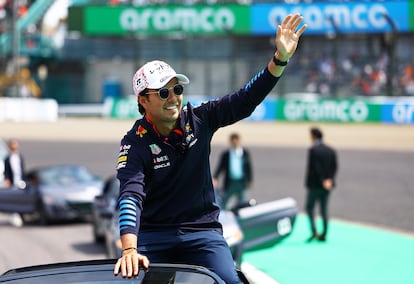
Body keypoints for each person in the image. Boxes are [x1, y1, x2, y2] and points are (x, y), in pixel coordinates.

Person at [113, 13, 307, 283]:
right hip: (154, 235)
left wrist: (280, 59)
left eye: (177, 89)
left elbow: (246, 99)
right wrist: (130, 249)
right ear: (143, 100)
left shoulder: (201, 118)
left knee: (230, 281)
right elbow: (130, 195)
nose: (174, 98)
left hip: (202, 232)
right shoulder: (134, 142)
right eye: (163, 92)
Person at [304, 127, 338, 242]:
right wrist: (329, 180)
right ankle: (324, 233)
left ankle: (314, 231)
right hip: (327, 185)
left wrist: (323, 179)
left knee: (310, 208)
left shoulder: (313, 150)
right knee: (324, 209)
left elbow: (314, 168)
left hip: (314, 185)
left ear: (314, 136)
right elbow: (334, 167)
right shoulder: (331, 150)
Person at [213, 133, 252, 210]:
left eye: (236, 141)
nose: (235, 143)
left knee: (242, 202)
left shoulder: (244, 153)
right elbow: (220, 167)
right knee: (224, 201)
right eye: (233, 141)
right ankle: (223, 217)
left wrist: (250, 180)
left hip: (241, 181)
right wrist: (215, 177)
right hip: (230, 182)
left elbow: (248, 167)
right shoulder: (226, 154)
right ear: (230, 142)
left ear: (239, 141)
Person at [3, 138, 26, 227]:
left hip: (20, 180)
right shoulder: (7, 159)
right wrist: (7, 180)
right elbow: (7, 172)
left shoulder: (19, 157)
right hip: (13, 181)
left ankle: (22, 215)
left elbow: (22, 169)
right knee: (14, 199)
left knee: (22, 198)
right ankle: (14, 215)